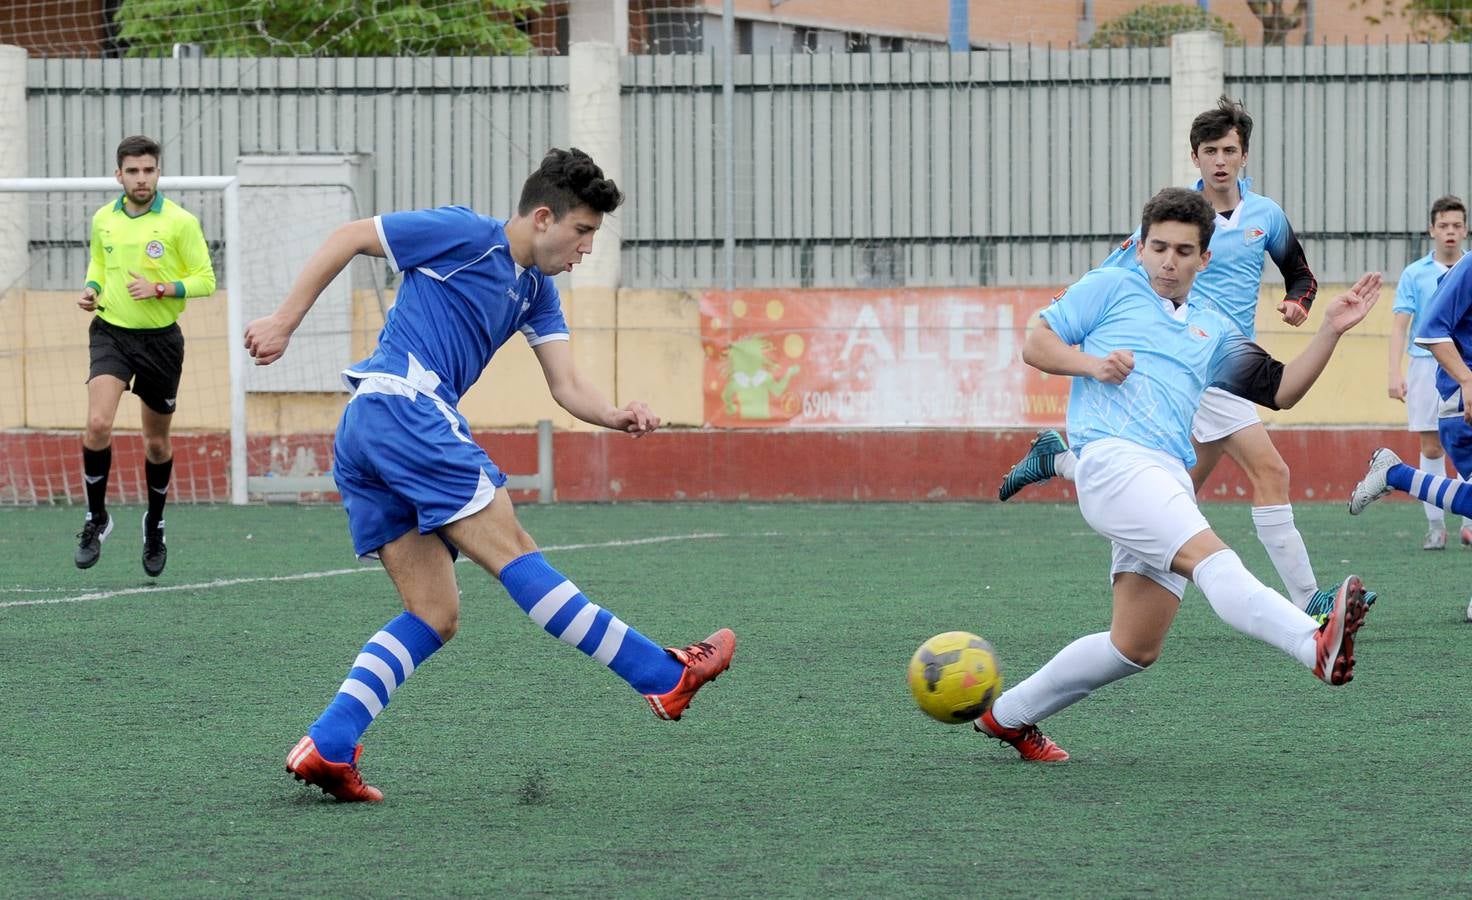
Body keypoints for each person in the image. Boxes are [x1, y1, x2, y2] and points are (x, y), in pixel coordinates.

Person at [244, 148, 736, 803]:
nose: (587, 247)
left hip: (370, 427)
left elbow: (565, 385)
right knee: (516, 554)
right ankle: (658, 672)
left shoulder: (536, 291)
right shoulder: (464, 233)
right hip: (405, 409)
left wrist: (616, 414)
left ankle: (331, 746)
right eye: (582, 231)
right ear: (541, 217)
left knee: (434, 611)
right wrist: (283, 321)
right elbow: (350, 236)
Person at [976, 187, 1379, 762]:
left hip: (1163, 476)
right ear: (1140, 248)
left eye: (1183, 251)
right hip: (1115, 466)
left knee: (1134, 647)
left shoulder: (1212, 329)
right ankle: (1310, 643)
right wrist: (1093, 364)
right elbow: (1037, 342)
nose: (1169, 260)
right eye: (1158, 247)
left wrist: (1331, 330)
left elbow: (1283, 391)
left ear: (1204, 259)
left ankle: (1007, 717)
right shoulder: (1111, 287)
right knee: (1212, 559)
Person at [997, 97, 1356, 620]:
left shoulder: (1266, 216)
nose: (1220, 160)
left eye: (1229, 150)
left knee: (1178, 486)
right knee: (1270, 470)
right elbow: (1117, 277)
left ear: (1244, 156)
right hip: (1192, 360)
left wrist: (1299, 305)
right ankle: (1310, 603)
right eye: (1210, 150)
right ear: (1195, 157)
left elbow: (1300, 275)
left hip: (1226, 359)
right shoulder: (1176, 220)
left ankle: (1061, 462)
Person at [75, 134, 217, 577]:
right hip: (111, 333)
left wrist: (162, 288)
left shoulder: (179, 222)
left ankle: (154, 522)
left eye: (148, 170)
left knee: (156, 442)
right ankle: (96, 518)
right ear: (119, 174)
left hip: (160, 342)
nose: (141, 179)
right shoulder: (104, 219)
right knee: (98, 423)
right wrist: (92, 288)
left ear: (158, 172)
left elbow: (205, 279)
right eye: (132, 171)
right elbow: (99, 263)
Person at [1351, 249, 1472, 619]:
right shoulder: (1468, 268)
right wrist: (1467, 380)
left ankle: (1395, 474)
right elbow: (1431, 332)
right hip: (1462, 402)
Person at [1387, 195, 1470, 550]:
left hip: (1462, 367)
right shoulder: (1416, 273)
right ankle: (1435, 525)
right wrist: (1394, 371)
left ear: (1465, 229)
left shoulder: (1466, 266)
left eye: (1457, 226)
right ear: (1432, 230)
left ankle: (1468, 523)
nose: (1450, 232)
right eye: (1443, 226)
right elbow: (1405, 326)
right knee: (1432, 445)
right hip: (1428, 365)